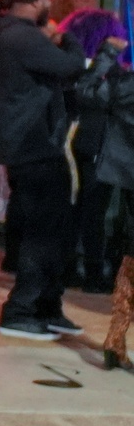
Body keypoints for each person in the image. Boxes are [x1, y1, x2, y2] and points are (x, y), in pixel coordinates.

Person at [0, 0, 87, 340]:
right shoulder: (21, 36)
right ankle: (22, 310)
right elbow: (70, 66)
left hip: (33, 143)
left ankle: (47, 307)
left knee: (54, 228)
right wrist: (67, 38)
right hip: (33, 144)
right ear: (38, 1)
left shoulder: (8, 33)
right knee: (43, 231)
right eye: (47, 1)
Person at [74, 25, 134, 371]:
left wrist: (106, 55)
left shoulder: (125, 86)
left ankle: (116, 337)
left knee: (129, 259)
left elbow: (86, 90)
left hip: (127, 183)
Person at [59, 9, 129, 293]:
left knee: (79, 208)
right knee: (96, 213)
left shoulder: (70, 65)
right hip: (101, 146)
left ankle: (71, 268)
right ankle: (93, 272)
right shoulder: (107, 71)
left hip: (73, 142)